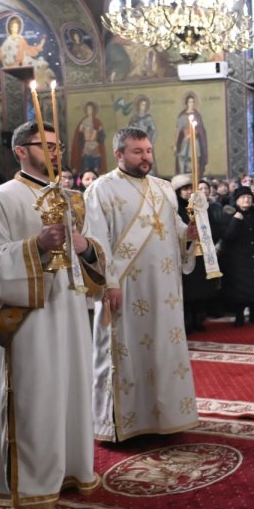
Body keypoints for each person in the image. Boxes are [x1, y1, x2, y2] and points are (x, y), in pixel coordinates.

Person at [0, 121, 106, 509]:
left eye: (57, 145)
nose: (54, 152)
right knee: (36, 394)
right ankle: (32, 482)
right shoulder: (2, 199)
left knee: (71, 390)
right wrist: (36, 246)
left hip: (71, 311)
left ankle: (71, 470)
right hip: (29, 315)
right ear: (20, 151)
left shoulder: (72, 199)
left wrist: (86, 248)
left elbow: (94, 257)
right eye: (43, 145)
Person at [83, 128, 200, 443]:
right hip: (124, 289)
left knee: (162, 351)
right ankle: (119, 425)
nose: (146, 157)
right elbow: (97, 240)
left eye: (148, 150)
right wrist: (108, 283)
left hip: (164, 290)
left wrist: (189, 234)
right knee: (123, 353)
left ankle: (163, 418)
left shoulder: (163, 189)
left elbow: (174, 232)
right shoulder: (101, 190)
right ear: (119, 154)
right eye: (137, 151)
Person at [172, 174, 221, 333]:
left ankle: (198, 317)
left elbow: (212, 227)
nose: (188, 192)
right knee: (187, 290)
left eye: (190, 188)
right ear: (178, 191)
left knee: (200, 289)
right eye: (185, 189)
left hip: (201, 253)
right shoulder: (174, 209)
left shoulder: (200, 206)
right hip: (184, 253)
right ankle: (186, 320)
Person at [221, 185, 254, 326]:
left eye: (249, 198)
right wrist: (236, 221)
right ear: (237, 200)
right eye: (243, 198)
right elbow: (227, 236)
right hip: (237, 257)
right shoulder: (230, 213)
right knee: (239, 288)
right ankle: (239, 316)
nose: (247, 200)